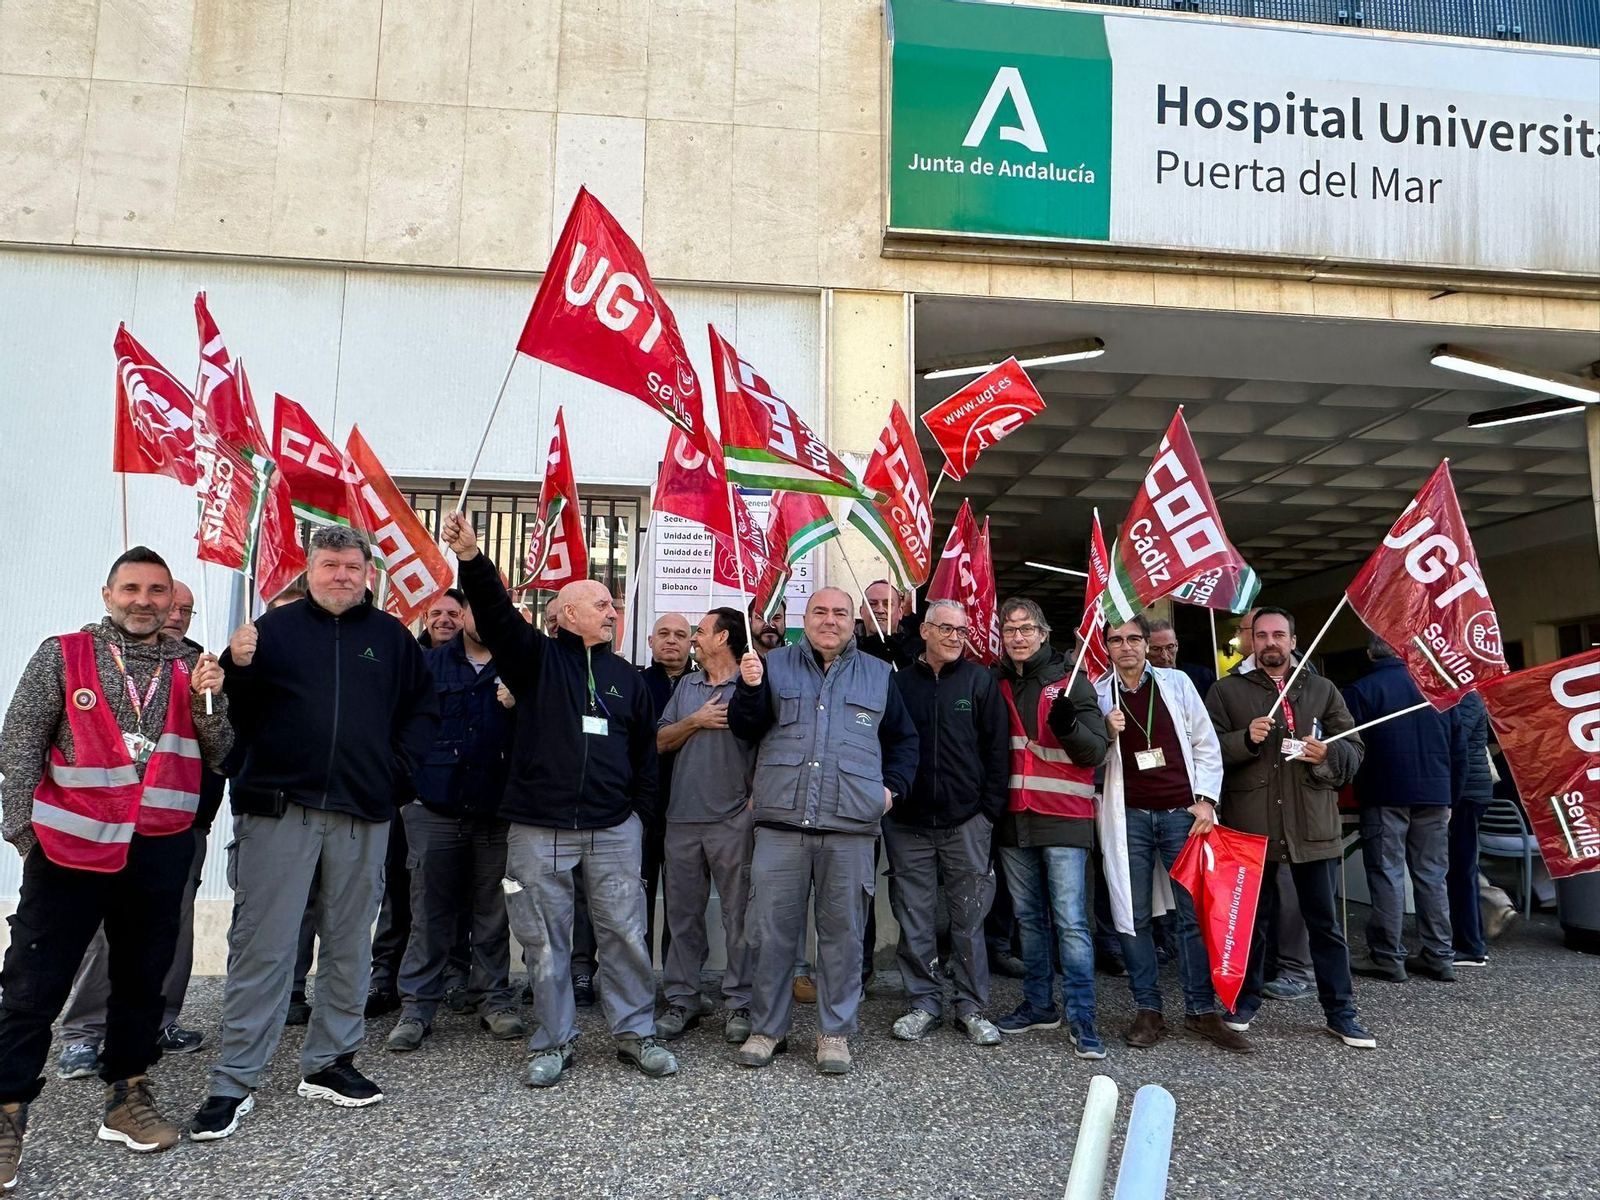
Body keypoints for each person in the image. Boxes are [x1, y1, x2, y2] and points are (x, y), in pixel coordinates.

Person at [190, 526, 439, 1141]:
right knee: (264, 948)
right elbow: (227, 718)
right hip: (278, 811)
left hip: (364, 813)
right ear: (309, 568)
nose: (343, 576)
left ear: (368, 573)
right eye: (331, 565)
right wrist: (235, 669)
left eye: (354, 567)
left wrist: (397, 778)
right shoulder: (267, 634)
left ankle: (330, 1061)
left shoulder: (391, 639)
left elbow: (422, 711)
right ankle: (234, 1080)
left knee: (351, 943)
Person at [0, 548, 232, 1181]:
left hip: (158, 847)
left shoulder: (193, 665)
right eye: (131, 588)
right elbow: (19, 742)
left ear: (170, 601)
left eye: (157, 590)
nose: (144, 600)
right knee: (32, 984)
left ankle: (127, 1095)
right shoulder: (63, 653)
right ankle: (6, 1110)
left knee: (141, 979)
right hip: (69, 848)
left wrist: (215, 701)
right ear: (108, 594)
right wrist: (24, 834)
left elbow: (221, 754)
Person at [443, 510, 675, 1087]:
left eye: (615, 606)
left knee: (625, 932)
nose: (613, 611)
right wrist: (472, 558)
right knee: (545, 939)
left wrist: (638, 819)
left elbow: (645, 756)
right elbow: (496, 616)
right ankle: (553, 1041)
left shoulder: (629, 679)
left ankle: (635, 1032)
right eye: (602, 604)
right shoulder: (535, 660)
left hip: (614, 828)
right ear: (567, 613)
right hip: (539, 827)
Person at [729, 587, 919, 1074]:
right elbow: (744, 729)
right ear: (803, 619)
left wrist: (889, 792)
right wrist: (749, 689)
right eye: (819, 612)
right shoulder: (772, 666)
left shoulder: (880, 675)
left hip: (851, 828)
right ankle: (767, 1029)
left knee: (844, 936)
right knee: (771, 935)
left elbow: (903, 742)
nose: (829, 620)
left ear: (853, 621)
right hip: (781, 825)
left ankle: (834, 1033)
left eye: (839, 612)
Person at [56, 581, 226, 1081]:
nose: (176, 615)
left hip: (178, 824)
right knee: (103, 933)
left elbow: (218, 742)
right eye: (172, 605)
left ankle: (159, 1022)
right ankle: (84, 1033)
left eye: (187, 610)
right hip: (101, 821)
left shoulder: (200, 667)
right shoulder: (99, 657)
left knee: (170, 928)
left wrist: (221, 683)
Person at [1204, 606, 1374, 1050]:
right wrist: (1244, 739)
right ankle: (1243, 1004)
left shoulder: (1321, 689)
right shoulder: (1226, 692)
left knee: (1325, 924)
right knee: (1251, 925)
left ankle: (1342, 1013)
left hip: (1312, 827)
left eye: (1278, 634)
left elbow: (1353, 749)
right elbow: (1203, 751)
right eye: (1261, 636)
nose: (1270, 643)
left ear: (1294, 640)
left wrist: (1327, 757)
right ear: (1249, 642)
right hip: (1251, 828)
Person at [1096, 617, 1248, 1054]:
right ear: (1107, 646)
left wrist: (1206, 800)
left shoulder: (1177, 683)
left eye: (1134, 639)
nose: (1126, 647)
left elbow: (1205, 743)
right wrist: (1106, 732)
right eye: (1117, 640)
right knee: (1133, 913)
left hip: (1184, 815)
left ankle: (1201, 1010)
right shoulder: (1099, 693)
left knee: (1193, 914)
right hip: (1129, 817)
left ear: (1147, 644)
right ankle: (1148, 1009)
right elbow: (1088, 756)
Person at [385, 597, 526, 1053]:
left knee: (493, 913)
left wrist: (521, 704)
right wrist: (407, 795)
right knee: (429, 914)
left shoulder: (521, 666)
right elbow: (399, 725)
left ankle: (495, 1000)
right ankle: (417, 1008)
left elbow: (546, 731)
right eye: (475, 612)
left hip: (497, 812)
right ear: (463, 616)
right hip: (434, 809)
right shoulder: (427, 663)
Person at [990, 598, 1111, 1059]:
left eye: (1026, 629)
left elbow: (1094, 752)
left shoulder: (1072, 683)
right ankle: (1040, 1005)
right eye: (1010, 630)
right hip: (1014, 820)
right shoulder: (996, 683)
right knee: (1028, 922)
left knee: (1071, 925)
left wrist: (1070, 729)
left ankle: (1083, 1018)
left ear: (1043, 634)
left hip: (1062, 818)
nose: (1018, 637)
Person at [885, 599, 1008, 1046]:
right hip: (907, 824)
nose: (956, 636)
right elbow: (885, 745)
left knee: (969, 920)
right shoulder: (897, 684)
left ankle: (972, 1007)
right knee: (914, 918)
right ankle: (924, 1003)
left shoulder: (980, 682)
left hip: (967, 823)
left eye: (962, 630)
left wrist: (987, 813)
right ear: (925, 632)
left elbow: (998, 754)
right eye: (947, 629)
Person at [654, 608, 758, 1044]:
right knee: (682, 917)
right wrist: (694, 721)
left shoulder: (752, 688)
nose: (693, 639)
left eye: (699, 632)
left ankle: (741, 1004)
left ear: (724, 638)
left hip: (733, 821)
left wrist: (750, 810)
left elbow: (770, 749)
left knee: (740, 918)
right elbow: (660, 741)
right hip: (680, 820)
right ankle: (683, 1000)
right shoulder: (687, 687)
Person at [1344, 636, 1456, 983]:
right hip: (1436, 793)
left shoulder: (1362, 690)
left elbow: (1350, 747)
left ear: (1369, 653)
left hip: (1384, 793)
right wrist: (1453, 795)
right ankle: (1439, 955)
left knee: (1387, 874)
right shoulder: (1437, 691)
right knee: (1432, 876)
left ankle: (1388, 956)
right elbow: (1460, 745)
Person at [640, 613, 694, 967]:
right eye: (664, 633)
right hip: (641, 809)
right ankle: (637, 981)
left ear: (692, 643)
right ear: (650, 642)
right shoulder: (633, 683)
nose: (671, 640)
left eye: (680, 634)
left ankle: (680, 982)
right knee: (637, 901)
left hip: (689, 809)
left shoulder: (705, 685)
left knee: (683, 904)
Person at [1448, 691, 1495, 968]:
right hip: (1470, 789)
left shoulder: (1466, 696)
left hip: (1467, 792)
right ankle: (1469, 940)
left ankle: (1470, 945)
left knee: (1461, 869)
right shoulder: (1468, 695)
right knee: (1462, 868)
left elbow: (1456, 738)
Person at [856, 580, 921, 669]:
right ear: (861, 612)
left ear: (900, 612)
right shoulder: (847, 649)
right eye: (872, 604)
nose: (880, 610)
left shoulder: (918, 652)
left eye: (887, 604)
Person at [1146, 618, 1216, 697]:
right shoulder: (1138, 682)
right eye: (1156, 649)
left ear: (1176, 645)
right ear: (1145, 648)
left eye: (1170, 647)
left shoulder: (1203, 676)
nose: (1164, 656)